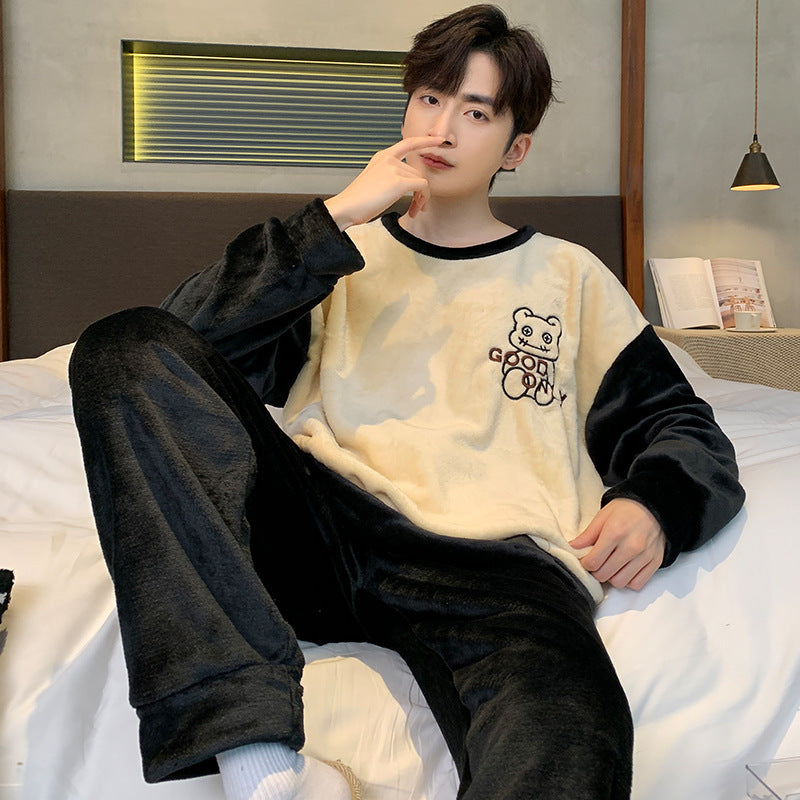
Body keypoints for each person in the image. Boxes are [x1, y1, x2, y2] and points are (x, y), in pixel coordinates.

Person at [68, 5, 744, 800]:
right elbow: (178, 353)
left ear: (515, 149)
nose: (442, 128)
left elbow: (678, 424)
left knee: (568, 740)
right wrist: (334, 218)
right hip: (321, 532)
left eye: (476, 112)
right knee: (118, 344)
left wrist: (657, 502)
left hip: (493, 569)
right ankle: (254, 752)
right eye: (429, 98)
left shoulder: (571, 277)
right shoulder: (335, 256)